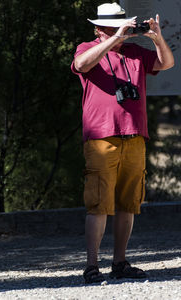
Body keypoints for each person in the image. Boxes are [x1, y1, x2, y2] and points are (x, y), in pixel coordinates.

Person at [71, 2, 174, 284]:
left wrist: (156, 37)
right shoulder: (86, 47)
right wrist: (116, 39)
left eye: (121, 25)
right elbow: (80, 65)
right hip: (102, 136)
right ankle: (92, 265)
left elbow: (166, 63)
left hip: (135, 134)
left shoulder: (135, 53)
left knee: (129, 203)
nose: (119, 30)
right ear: (98, 28)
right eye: (112, 26)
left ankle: (120, 262)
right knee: (99, 203)